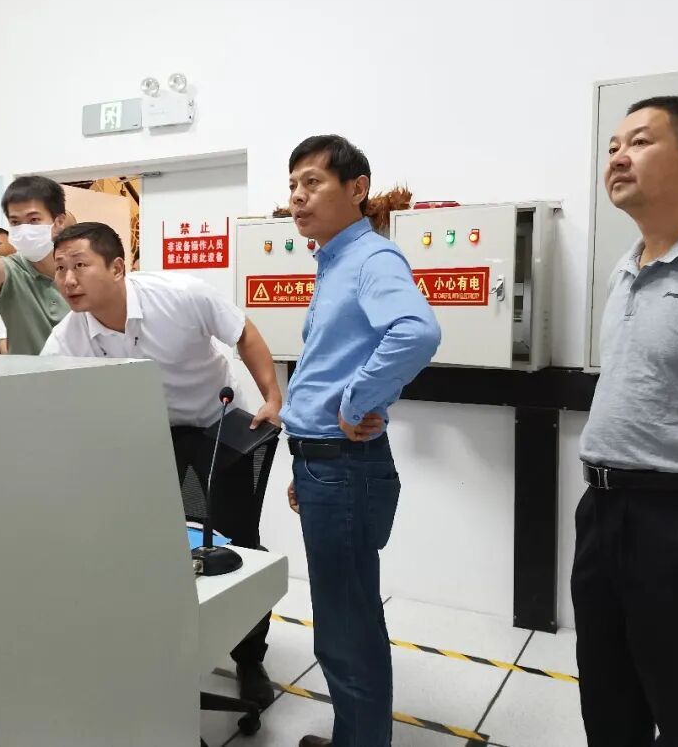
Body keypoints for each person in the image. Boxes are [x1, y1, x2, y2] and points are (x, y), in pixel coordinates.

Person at [40, 221, 284, 706]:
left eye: (80, 265)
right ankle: (164, 642)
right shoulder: (69, 335)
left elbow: (244, 333)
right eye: (60, 268)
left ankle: (249, 657)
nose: (68, 280)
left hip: (217, 423)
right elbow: (43, 390)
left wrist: (272, 396)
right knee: (147, 541)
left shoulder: (181, 295)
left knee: (239, 541)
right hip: (151, 434)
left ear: (117, 267)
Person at [574, 96, 678, 747]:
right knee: (607, 697)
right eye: (613, 146)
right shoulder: (626, 268)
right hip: (602, 511)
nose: (618, 157)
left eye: (640, 142)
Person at [281, 135, 440, 747]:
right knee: (345, 619)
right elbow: (333, 360)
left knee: (347, 630)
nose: (297, 197)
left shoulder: (372, 258)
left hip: (343, 467)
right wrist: (307, 456)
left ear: (357, 189)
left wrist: (355, 403)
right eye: (292, 185)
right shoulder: (335, 261)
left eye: (312, 182)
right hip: (328, 464)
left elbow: (416, 331)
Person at [0, 176, 71, 354]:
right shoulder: (12, 270)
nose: (24, 230)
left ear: (59, 222)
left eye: (34, 220)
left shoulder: (80, 271)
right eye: (15, 222)